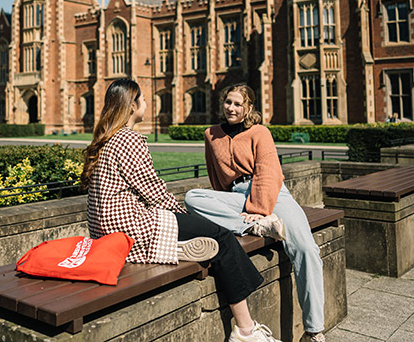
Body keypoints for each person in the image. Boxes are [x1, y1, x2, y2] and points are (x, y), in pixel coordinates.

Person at [83, 79, 280, 342]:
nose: (146, 103)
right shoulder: (129, 139)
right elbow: (153, 191)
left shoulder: (107, 137)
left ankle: (176, 246)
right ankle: (246, 331)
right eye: (141, 100)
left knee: (202, 229)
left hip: (104, 230)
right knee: (220, 237)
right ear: (132, 106)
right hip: (132, 227)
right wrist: (183, 216)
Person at [184, 84, 326, 342]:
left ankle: (314, 331)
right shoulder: (211, 134)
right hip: (237, 198)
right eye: (228, 102)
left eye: (238, 104)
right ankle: (252, 227)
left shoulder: (260, 132)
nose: (232, 108)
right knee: (192, 197)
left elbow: (268, 172)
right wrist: (234, 212)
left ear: (249, 108)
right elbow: (216, 178)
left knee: (306, 249)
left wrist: (259, 209)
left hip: (272, 193)